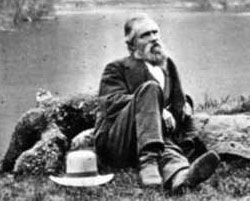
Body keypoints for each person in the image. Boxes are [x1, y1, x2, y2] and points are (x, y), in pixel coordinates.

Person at [94, 13, 220, 192]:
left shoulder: (168, 66)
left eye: (155, 32)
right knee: (150, 89)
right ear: (131, 43)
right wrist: (154, 105)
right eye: (145, 35)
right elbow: (110, 104)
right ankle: (148, 163)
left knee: (167, 149)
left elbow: (178, 101)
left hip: (154, 138)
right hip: (119, 142)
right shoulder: (117, 68)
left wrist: (186, 109)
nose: (153, 38)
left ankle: (181, 178)